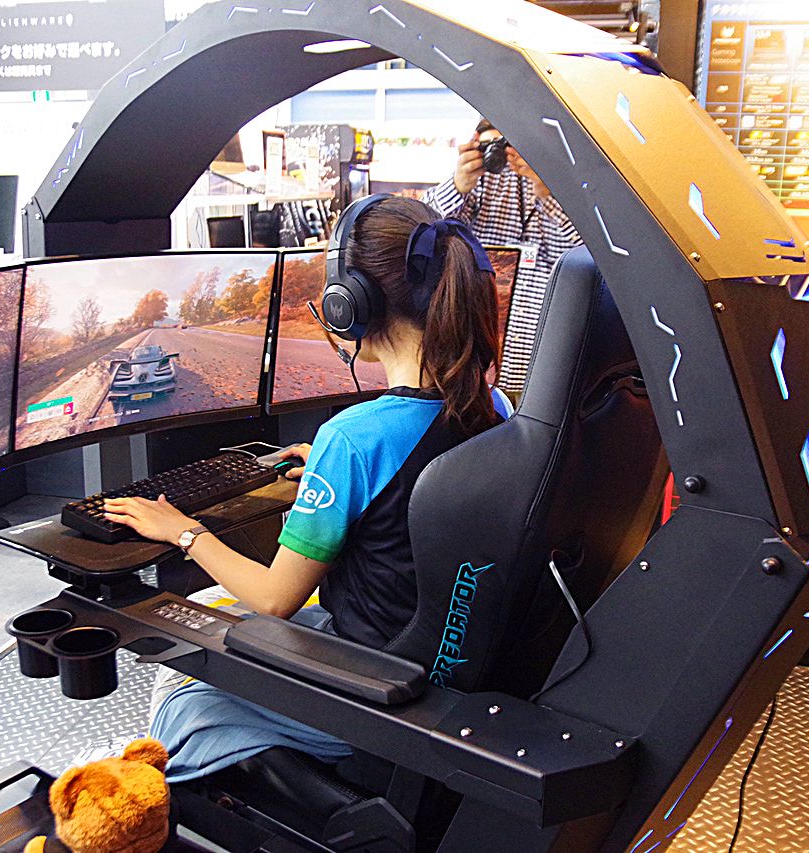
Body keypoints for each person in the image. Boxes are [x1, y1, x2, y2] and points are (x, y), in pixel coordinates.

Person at [103, 195, 510, 782]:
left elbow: (275, 599)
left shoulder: (353, 439)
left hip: (367, 693)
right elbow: (414, 500)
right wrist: (335, 481)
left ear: (352, 304)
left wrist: (183, 532)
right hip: (444, 668)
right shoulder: (494, 406)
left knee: (183, 675)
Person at [425, 118, 583, 396]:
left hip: (544, 359)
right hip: (478, 358)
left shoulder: (566, 179)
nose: (507, 153)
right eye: (496, 143)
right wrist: (459, 183)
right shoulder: (482, 181)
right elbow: (426, 231)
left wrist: (548, 191)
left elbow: (587, 251)